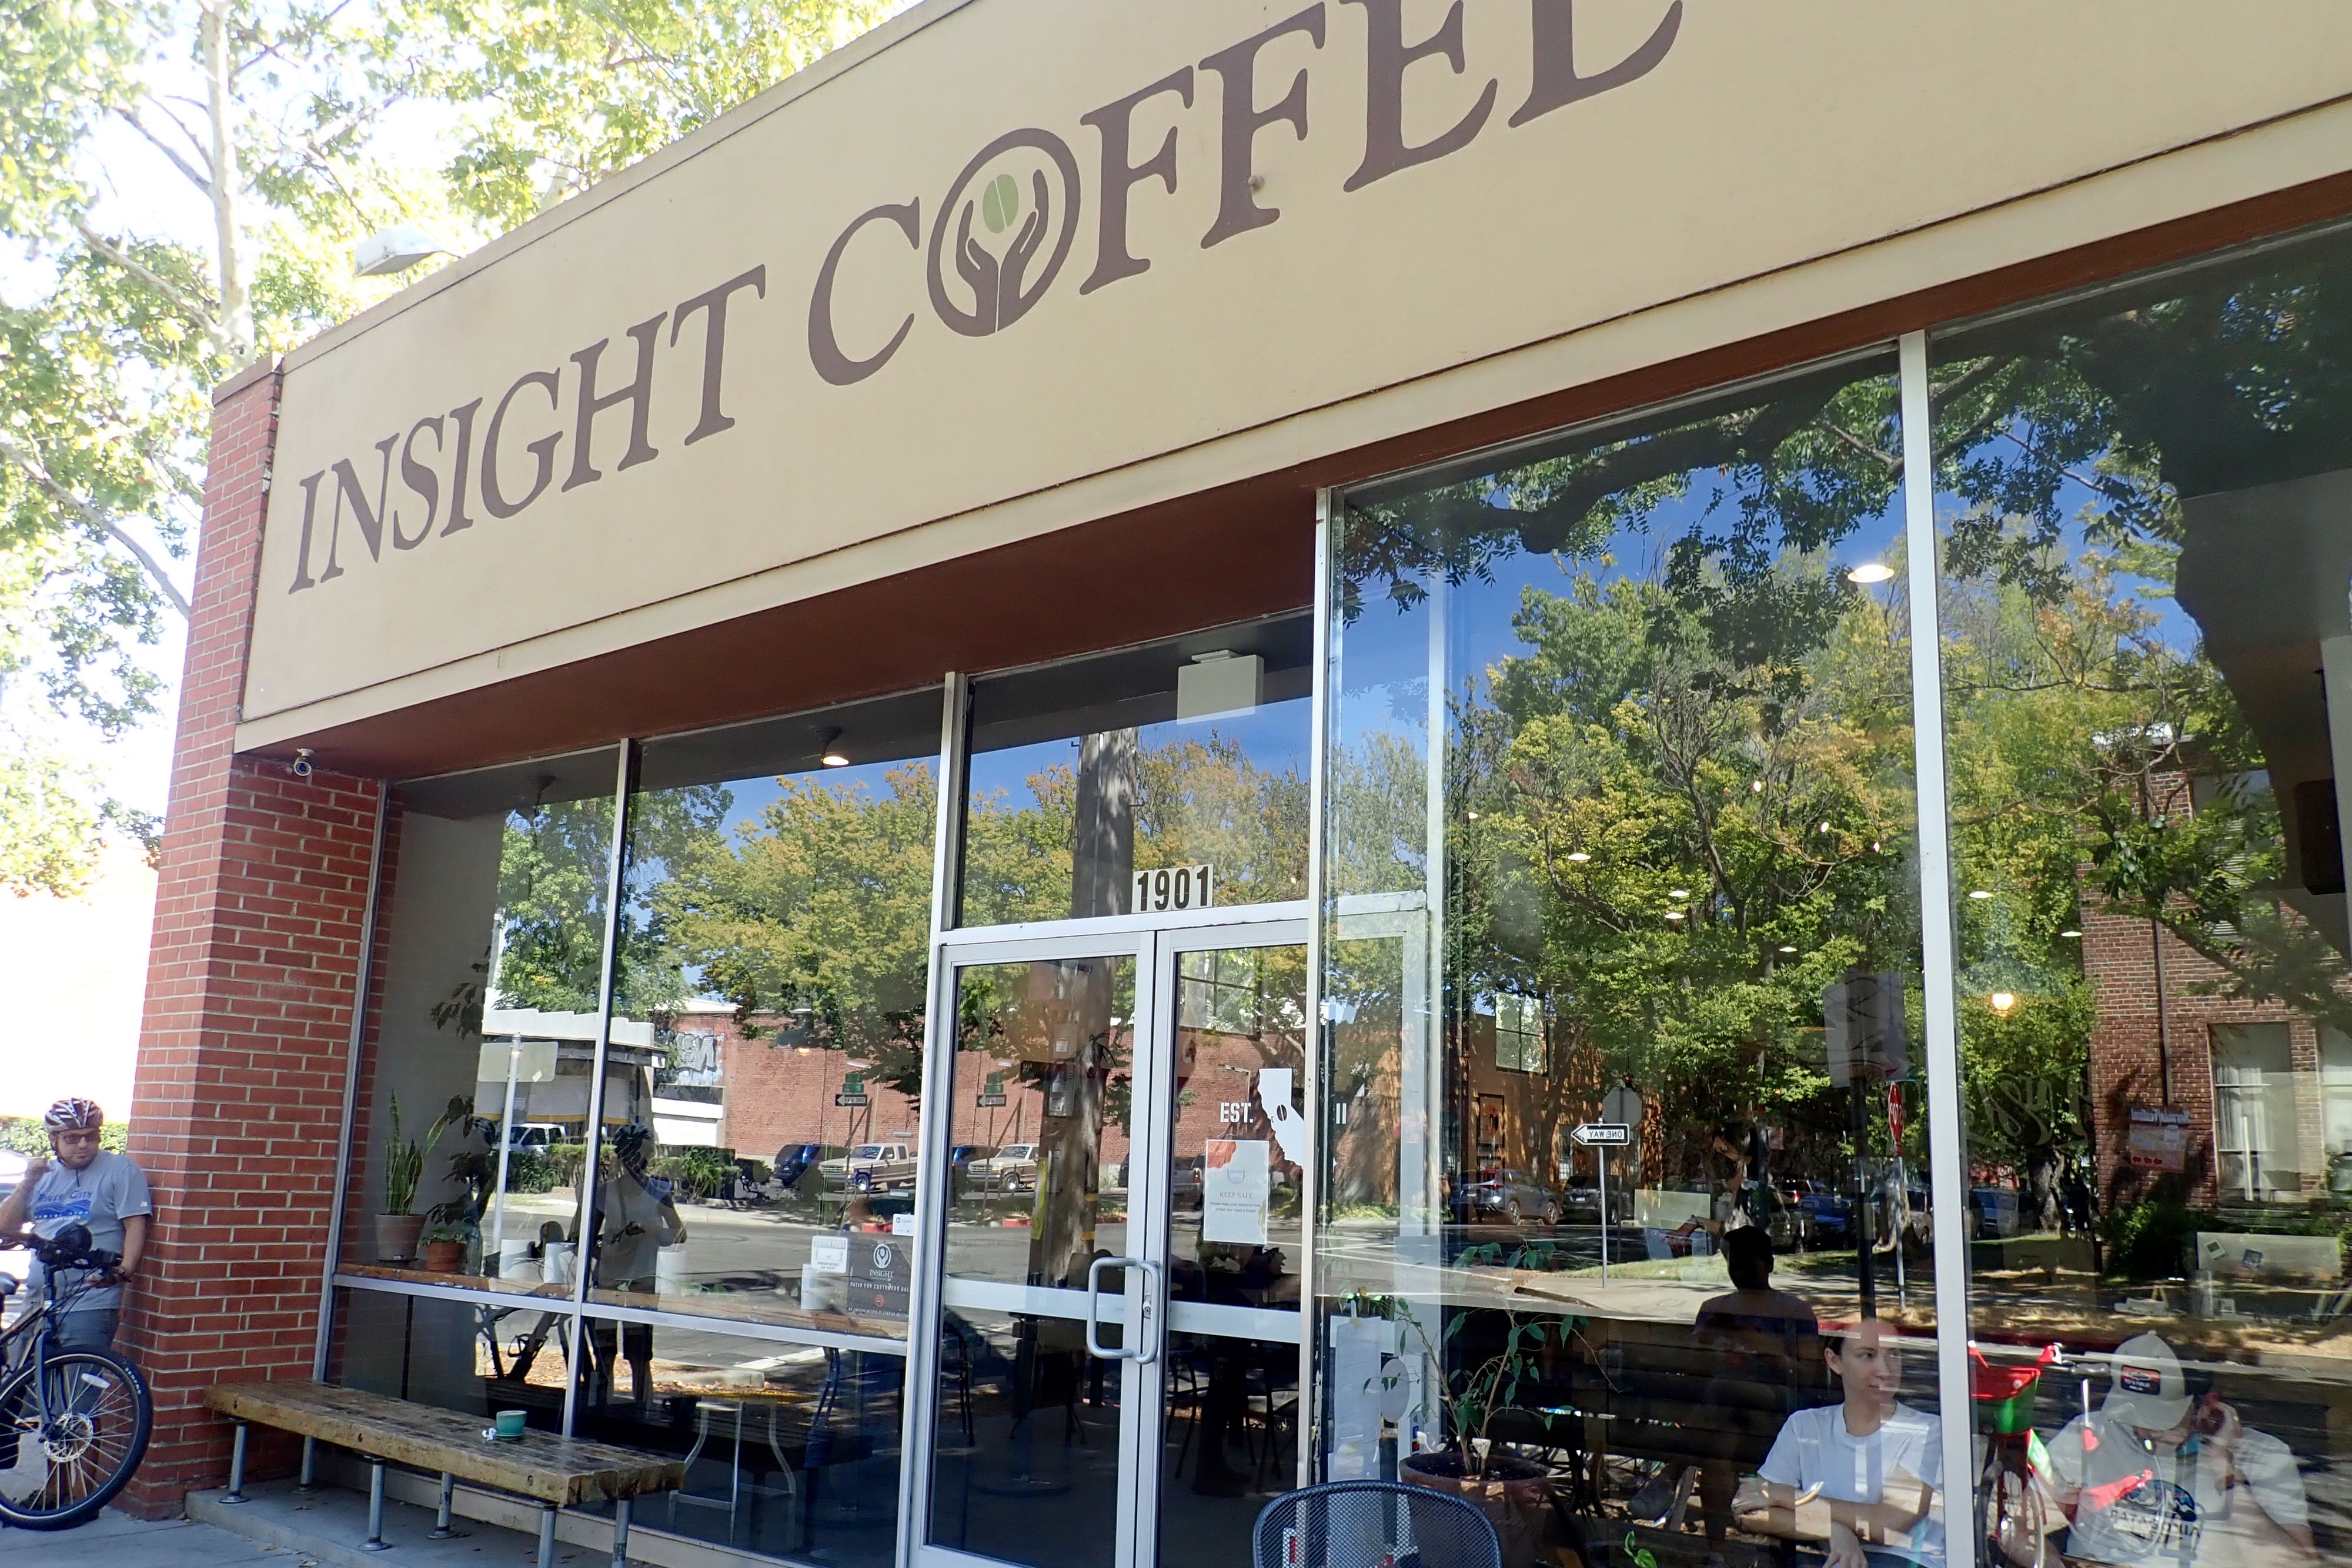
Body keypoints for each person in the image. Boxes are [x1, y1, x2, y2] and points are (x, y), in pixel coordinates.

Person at [2042, 1333, 2316, 1568]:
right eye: (2133, 1416)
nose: (2144, 1431)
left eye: (2161, 1420)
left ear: (2208, 1404)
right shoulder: (2093, 1434)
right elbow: (2028, 1525)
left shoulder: (2262, 1455)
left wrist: (2224, 1469)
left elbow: (2293, 1565)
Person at [1745, 1318, 1943, 1568]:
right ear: (1834, 1361)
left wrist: (1788, 1498)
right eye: (1868, 1356)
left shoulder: (1928, 1431)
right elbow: (1749, 1510)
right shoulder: (1805, 1427)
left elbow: (1887, 1524)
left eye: (1894, 1354)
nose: (1885, 1370)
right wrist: (1831, 1529)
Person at [1694, 1228, 1826, 1564]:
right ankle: (1717, 1555)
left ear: (1769, 1265)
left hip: (1776, 1414)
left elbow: (1805, 1376)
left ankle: (1671, 1473)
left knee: (1726, 1399)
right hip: (1727, 1418)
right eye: (1733, 1265)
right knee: (1718, 1454)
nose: (1739, 1272)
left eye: (1747, 1264)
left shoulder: (1794, 1312)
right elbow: (1693, 1368)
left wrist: (1758, 1344)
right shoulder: (1714, 1309)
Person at [0, 1098, 152, 1353]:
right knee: (22, 1373)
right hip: (39, 1298)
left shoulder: (120, 1170)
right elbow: (5, 1227)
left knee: (78, 1376)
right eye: (72, 1138)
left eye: (90, 1136)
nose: (83, 1144)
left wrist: (124, 1271)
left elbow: (136, 1224)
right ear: (54, 1139)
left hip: (89, 1300)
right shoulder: (43, 1175)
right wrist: (27, 1183)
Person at [586, 1123, 686, 1405]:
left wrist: (650, 1230)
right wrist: (605, 1255)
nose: (636, 1160)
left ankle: (643, 1408)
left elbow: (679, 1233)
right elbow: (585, 1239)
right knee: (605, 1354)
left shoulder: (657, 1190)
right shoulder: (605, 1192)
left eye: (642, 1153)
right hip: (608, 1281)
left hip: (642, 1280)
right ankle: (601, 1407)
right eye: (630, 1152)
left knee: (640, 1355)